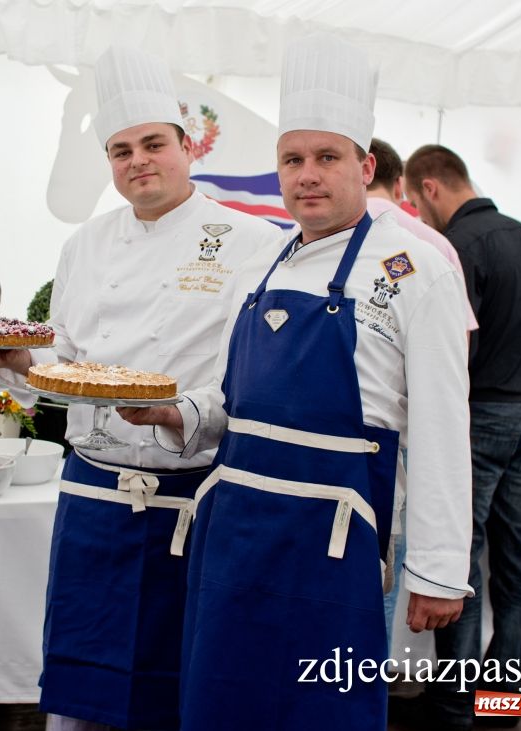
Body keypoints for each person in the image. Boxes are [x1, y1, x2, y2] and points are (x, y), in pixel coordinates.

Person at [120, 33, 474, 729]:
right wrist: (174, 413)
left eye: (326, 158)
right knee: (223, 703)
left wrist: (436, 570)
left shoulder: (416, 269)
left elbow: (441, 427)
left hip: (331, 542)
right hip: (234, 536)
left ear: (365, 165)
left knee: (321, 710)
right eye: (293, 160)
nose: (307, 174)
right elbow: (236, 400)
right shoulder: (264, 260)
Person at [0, 45, 282, 730]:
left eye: (152, 143)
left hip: (190, 499)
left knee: (177, 683)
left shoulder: (250, 242)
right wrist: (11, 362)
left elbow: (254, 384)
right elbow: (62, 369)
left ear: (186, 145)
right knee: (81, 683)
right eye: (120, 150)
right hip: (91, 494)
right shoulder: (84, 246)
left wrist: (176, 411)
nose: (137, 161)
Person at [391, 144, 521, 730]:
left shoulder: (460, 247)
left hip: (483, 415)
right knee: (517, 561)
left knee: (457, 558)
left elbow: (455, 354)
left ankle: (457, 702)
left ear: (430, 188)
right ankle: (503, 703)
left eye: (415, 200)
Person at [366, 137, 479, 653]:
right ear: (399, 184)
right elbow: (459, 352)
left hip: (384, 445)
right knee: (376, 584)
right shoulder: (434, 242)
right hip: (399, 437)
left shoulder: (414, 252)